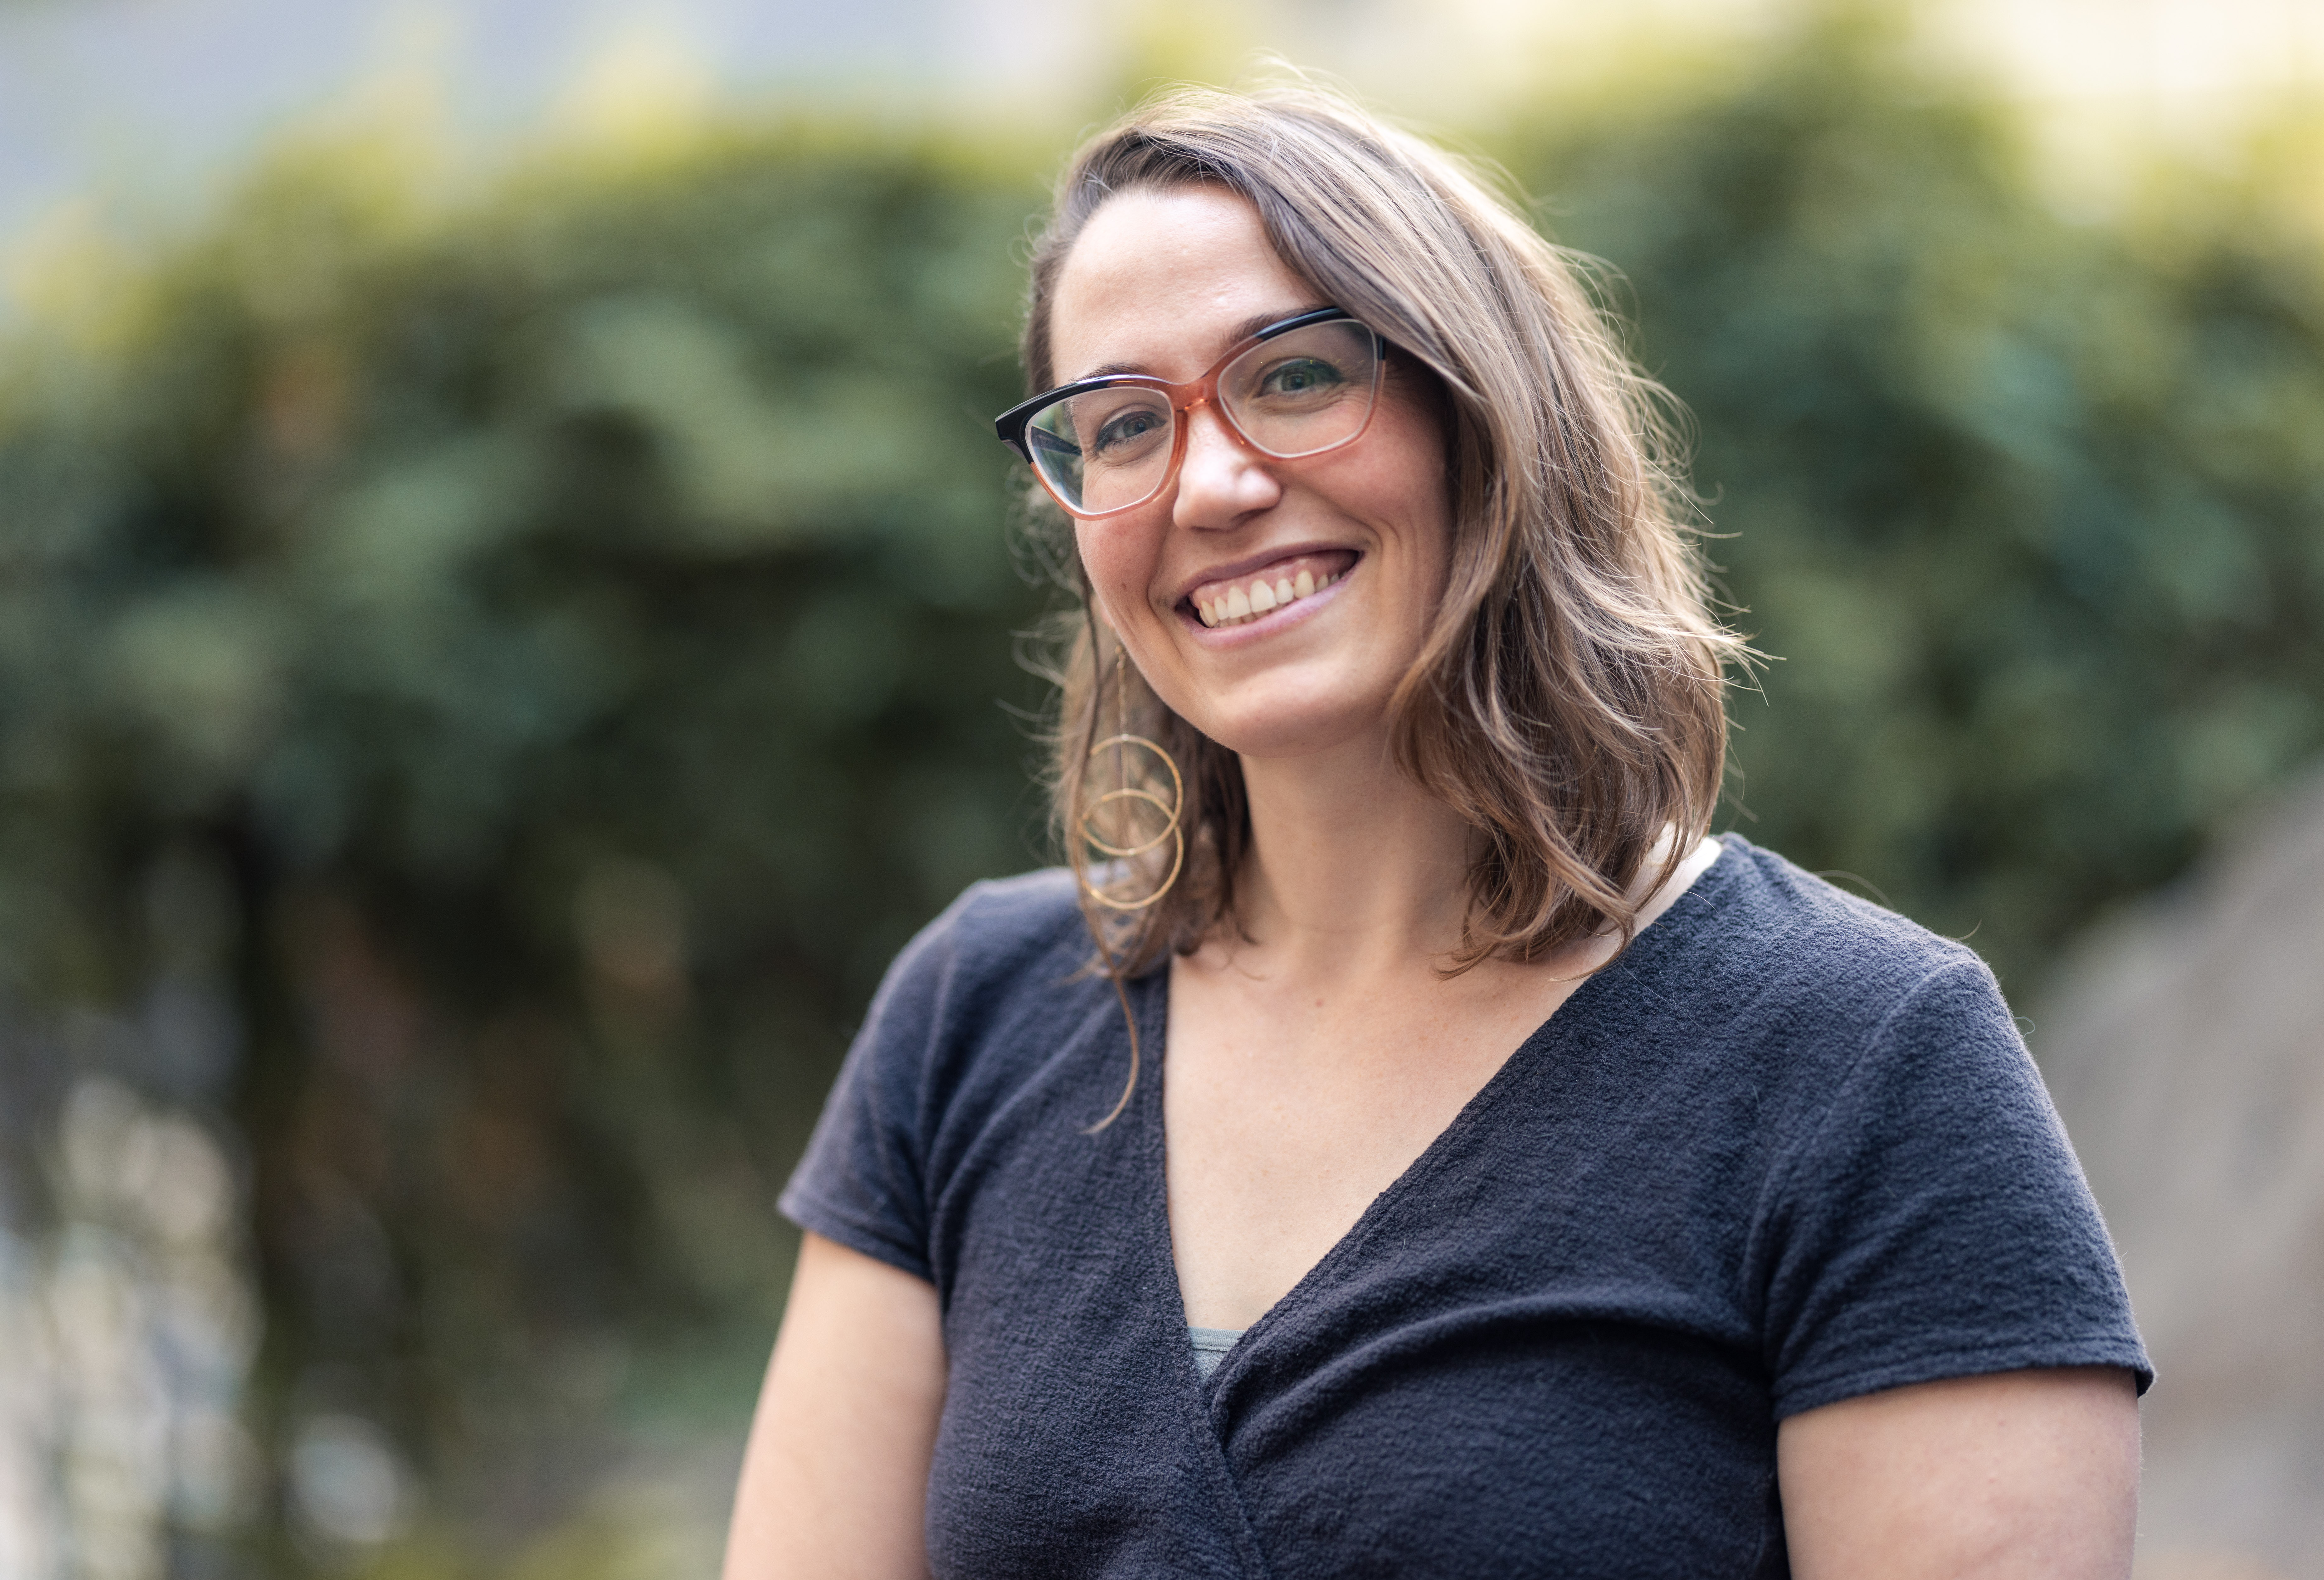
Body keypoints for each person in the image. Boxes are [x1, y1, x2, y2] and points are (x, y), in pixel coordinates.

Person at [722, 81, 2148, 1580]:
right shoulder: (972, 1016)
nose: (1208, 483)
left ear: (1485, 411)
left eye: (1290, 375)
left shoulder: (1863, 1063)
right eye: (1123, 422)